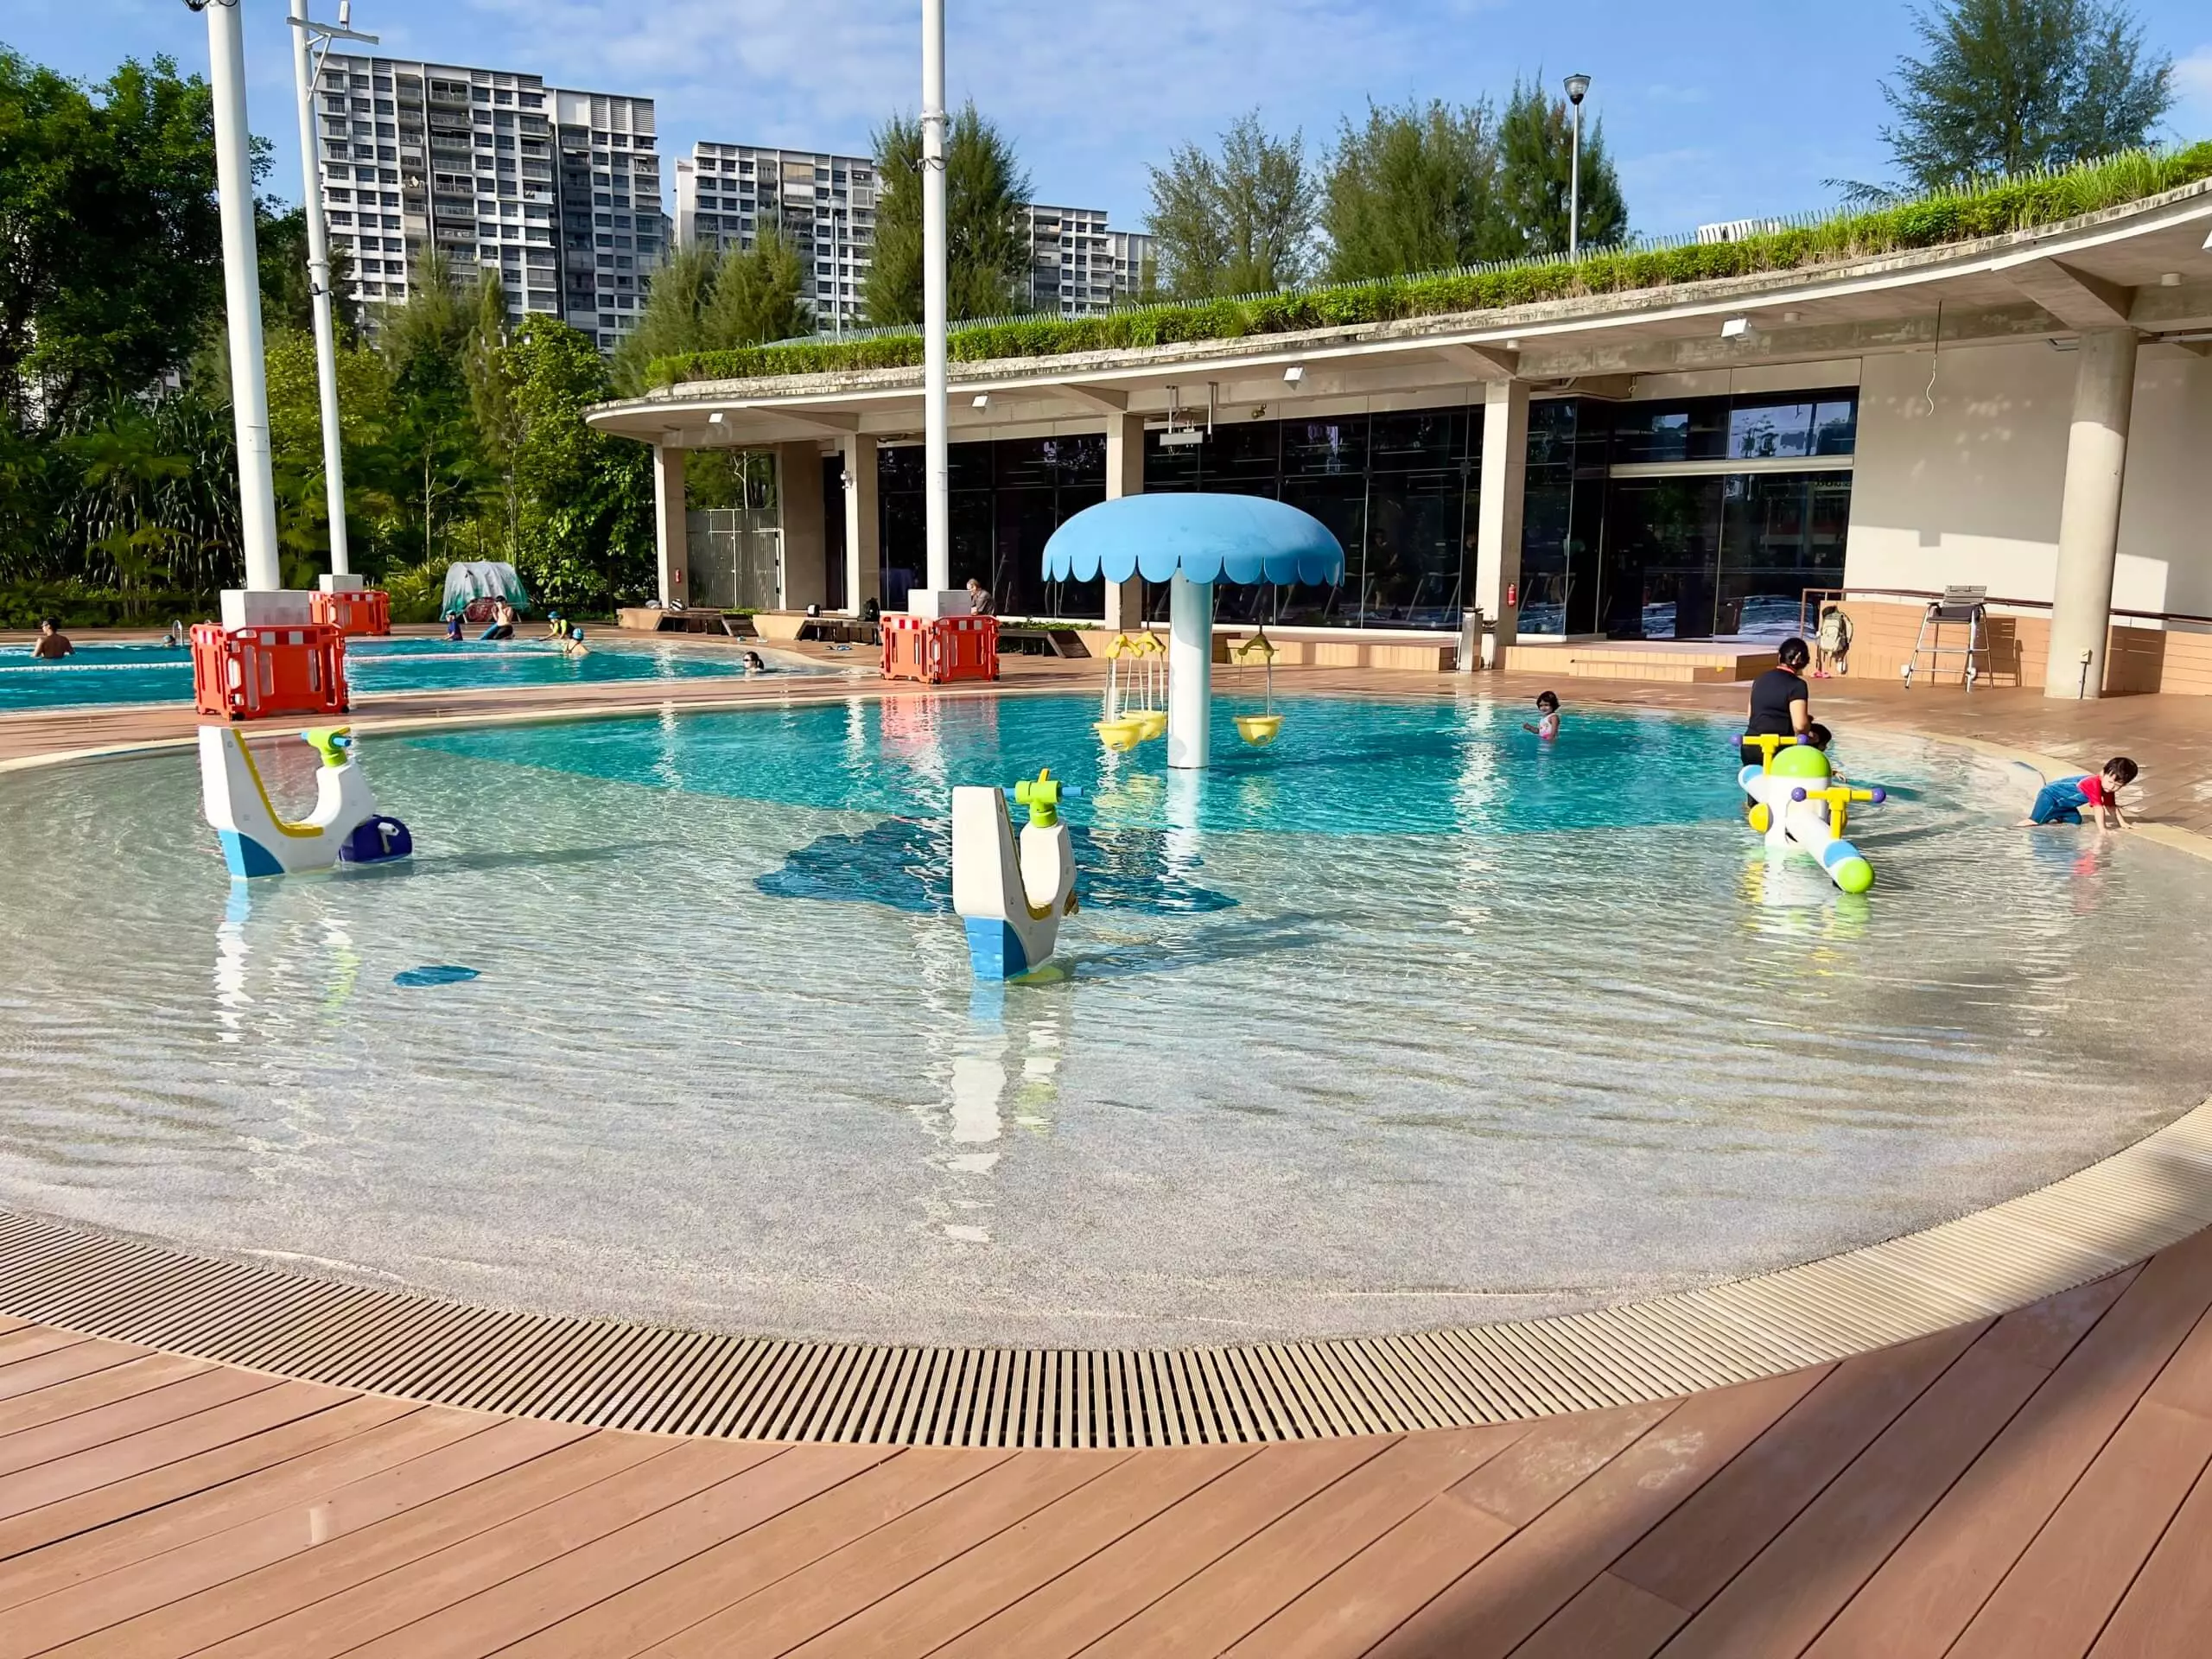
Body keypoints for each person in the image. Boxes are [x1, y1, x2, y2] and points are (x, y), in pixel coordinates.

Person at [1742, 637, 1813, 772]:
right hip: (1778, 747)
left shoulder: (1760, 679)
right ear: (1804, 662)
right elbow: (1800, 725)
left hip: (1751, 745)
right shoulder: (1797, 685)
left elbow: (1750, 715)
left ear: (1780, 657)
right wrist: (1809, 733)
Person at [2019, 757, 2137, 829]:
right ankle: (2015, 830)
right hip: (2050, 797)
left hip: (2065, 806)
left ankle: (2053, 815)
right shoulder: (2093, 783)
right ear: (2102, 773)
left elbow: (2111, 807)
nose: (2112, 787)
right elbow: (2098, 808)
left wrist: (2122, 823)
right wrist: (2103, 830)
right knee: (2034, 822)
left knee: (2075, 822)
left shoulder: (2107, 788)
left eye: (2118, 786)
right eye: (2110, 782)